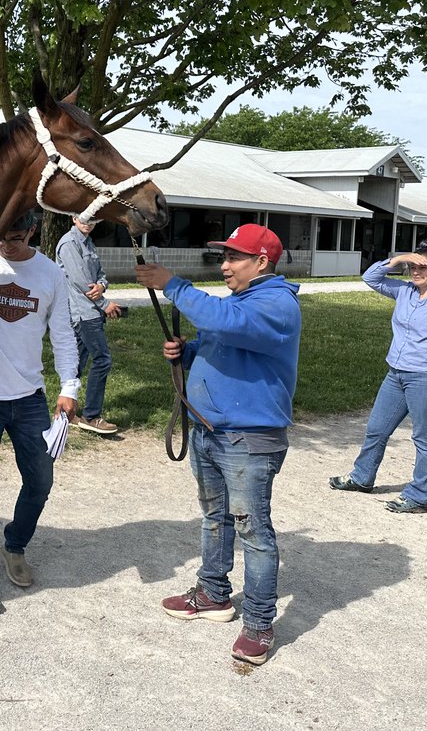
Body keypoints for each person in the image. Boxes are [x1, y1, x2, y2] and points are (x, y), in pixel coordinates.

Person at [135, 223, 300, 666]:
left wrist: (172, 284)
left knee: (253, 530)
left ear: (262, 262)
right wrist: (187, 353)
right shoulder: (242, 301)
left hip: (249, 439)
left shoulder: (277, 303)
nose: (224, 266)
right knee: (214, 518)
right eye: (223, 257)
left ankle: (260, 623)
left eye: (234, 258)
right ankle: (213, 593)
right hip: (209, 430)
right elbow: (224, 337)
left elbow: (226, 322)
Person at [0, 210, 79, 614]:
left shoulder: (51, 275)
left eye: (13, 236)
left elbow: (62, 334)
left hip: (29, 398)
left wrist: (70, 386)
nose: (5, 244)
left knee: (40, 481)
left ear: (32, 230)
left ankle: (15, 545)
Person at [329, 242, 427, 513]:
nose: (416, 272)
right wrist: (397, 259)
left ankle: (417, 497)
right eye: (412, 267)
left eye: (423, 267)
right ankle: (361, 478)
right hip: (396, 373)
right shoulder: (405, 292)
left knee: (424, 437)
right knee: (377, 429)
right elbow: (370, 277)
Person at [55, 215, 124, 434]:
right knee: (102, 360)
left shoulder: (88, 243)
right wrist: (104, 303)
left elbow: (100, 275)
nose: (88, 222)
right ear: (74, 218)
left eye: (93, 218)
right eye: (83, 218)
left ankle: (67, 410)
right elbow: (80, 281)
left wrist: (102, 285)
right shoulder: (69, 243)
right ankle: (91, 416)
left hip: (90, 312)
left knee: (77, 362)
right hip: (84, 314)